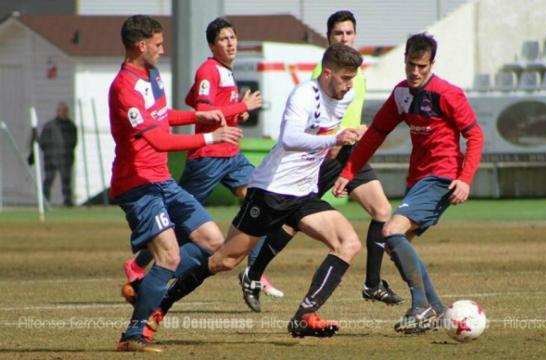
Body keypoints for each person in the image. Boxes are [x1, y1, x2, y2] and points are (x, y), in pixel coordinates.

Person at [154, 43, 363, 338]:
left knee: (349, 243)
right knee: (223, 260)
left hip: (303, 194)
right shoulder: (304, 95)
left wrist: (346, 143)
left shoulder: (346, 96)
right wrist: (334, 139)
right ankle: (159, 306)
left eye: (352, 78)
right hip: (272, 191)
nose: (349, 85)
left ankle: (305, 315)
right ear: (327, 73)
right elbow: (290, 139)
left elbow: (325, 141)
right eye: (344, 78)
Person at [237, 10, 401, 314]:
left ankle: (373, 283)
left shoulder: (357, 72)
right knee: (292, 221)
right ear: (329, 39)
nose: (344, 38)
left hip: (350, 150)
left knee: (382, 210)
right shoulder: (322, 73)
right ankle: (253, 273)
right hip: (326, 155)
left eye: (349, 33)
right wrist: (333, 146)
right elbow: (318, 123)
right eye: (338, 34)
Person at [120, 17, 283, 304]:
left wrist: (235, 113)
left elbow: (194, 99)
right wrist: (241, 106)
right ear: (212, 45)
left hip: (230, 154)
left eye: (233, 37)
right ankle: (138, 265)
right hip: (208, 158)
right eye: (224, 39)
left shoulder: (225, 71)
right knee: (177, 221)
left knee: (261, 201)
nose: (230, 43)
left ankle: (254, 274)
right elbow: (204, 107)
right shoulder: (209, 70)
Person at [333, 33, 484, 334]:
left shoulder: (447, 94)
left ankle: (420, 306)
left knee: (390, 230)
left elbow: (475, 136)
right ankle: (438, 311)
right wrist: (349, 171)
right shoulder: (401, 94)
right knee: (396, 245)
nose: (415, 72)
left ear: (432, 65)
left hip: (441, 177)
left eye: (422, 66)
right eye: (411, 65)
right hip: (417, 180)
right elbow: (375, 133)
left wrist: (465, 179)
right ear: (404, 60)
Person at [109, 15, 242, 352]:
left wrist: (199, 116)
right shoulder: (123, 88)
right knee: (168, 257)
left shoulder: (152, 75)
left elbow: (162, 115)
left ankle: (146, 286)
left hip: (162, 180)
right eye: (158, 44)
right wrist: (210, 137)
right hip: (137, 185)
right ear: (141, 46)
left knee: (213, 241)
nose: (163, 49)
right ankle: (133, 335)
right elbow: (158, 140)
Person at [39, 102, 77, 207]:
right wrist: (49, 152)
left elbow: (74, 142)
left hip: (65, 159)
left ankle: (68, 202)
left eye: (65, 111)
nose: (64, 113)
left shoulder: (71, 126)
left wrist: (68, 154)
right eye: (62, 111)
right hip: (51, 159)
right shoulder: (49, 126)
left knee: (66, 182)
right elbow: (42, 142)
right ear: (58, 111)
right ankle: (45, 202)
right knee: (48, 181)